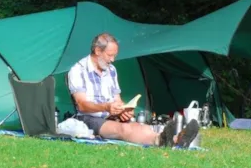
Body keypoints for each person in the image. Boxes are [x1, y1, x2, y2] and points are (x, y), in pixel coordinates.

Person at [67, 32, 199, 147]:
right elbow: (82, 105)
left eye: (115, 56)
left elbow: (117, 101)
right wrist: (106, 107)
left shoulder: (111, 70)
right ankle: (161, 140)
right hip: (87, 119)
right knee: (123, 129)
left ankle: (175, 139)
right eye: (109, 55)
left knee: (138, 126)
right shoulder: (78, 70)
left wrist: (123, 110)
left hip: (109, 116)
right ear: (97, 51)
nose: (113, 60)